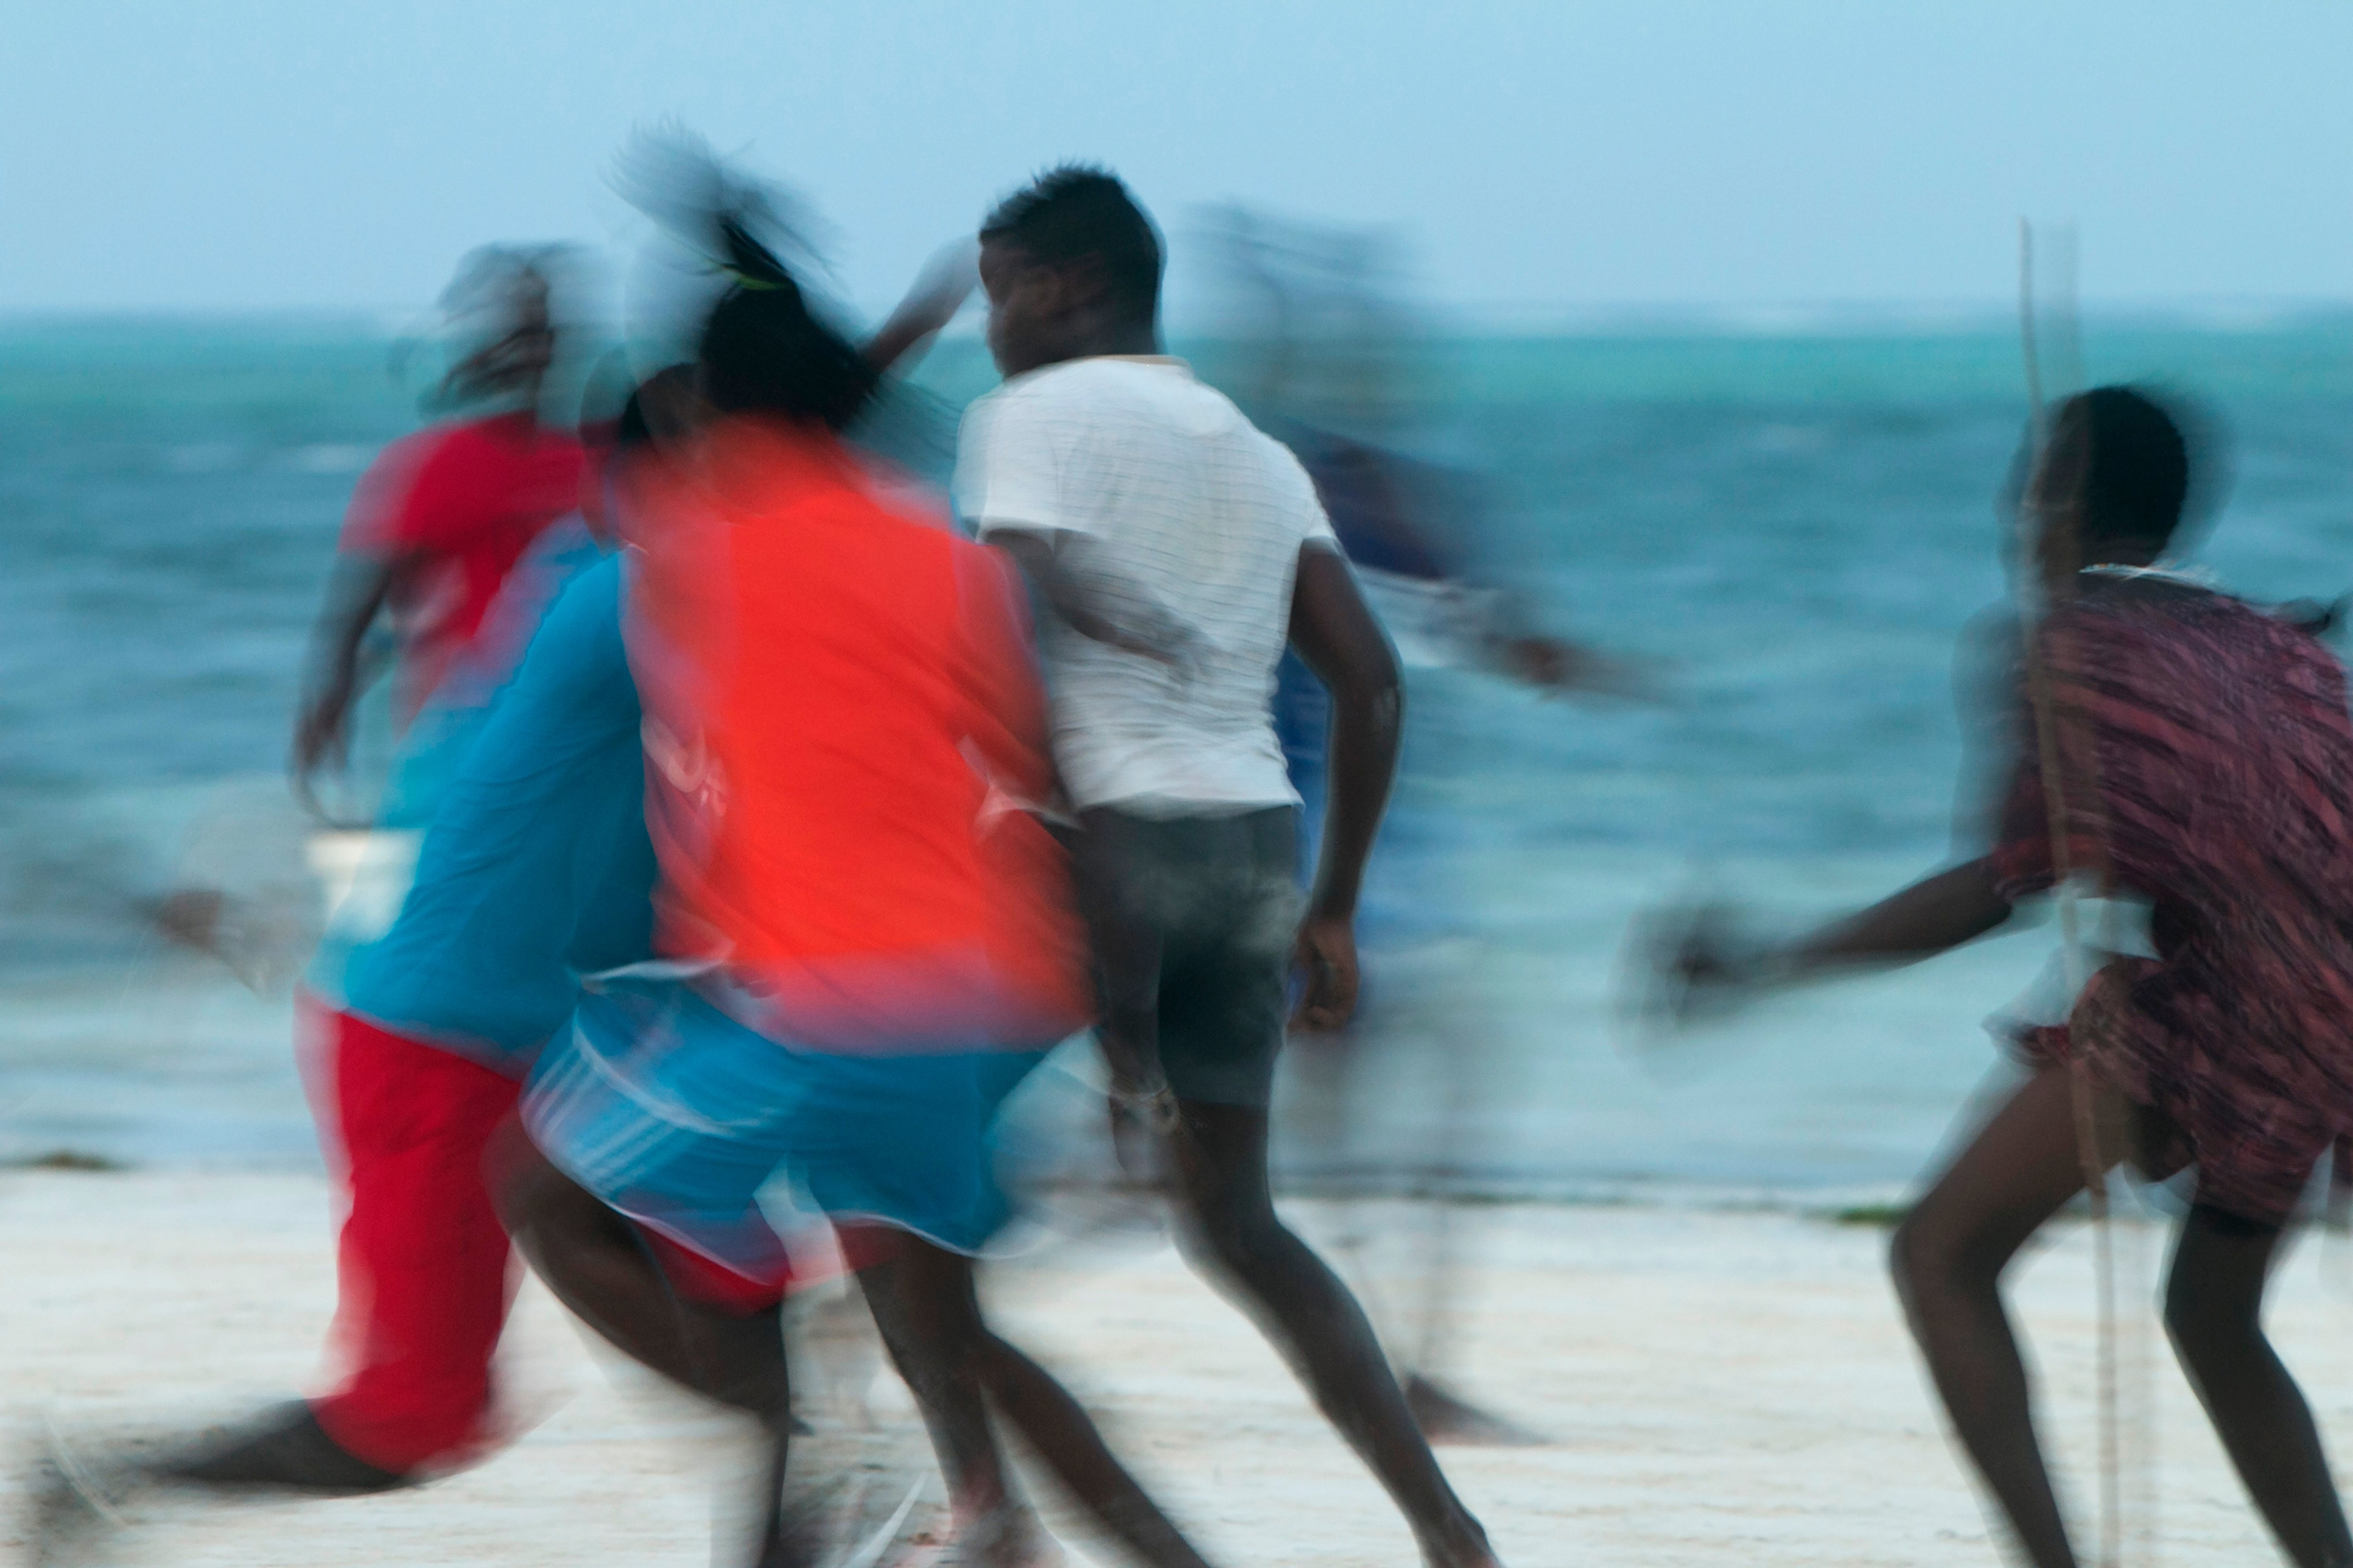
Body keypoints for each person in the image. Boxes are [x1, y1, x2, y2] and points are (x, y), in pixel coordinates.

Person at [493, 175, 1218, 1568]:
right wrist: (1134, 1038)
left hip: (814, 1009)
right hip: (987, 1000)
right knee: (947, 1328)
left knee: (536, 1178)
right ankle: (1082, 1540)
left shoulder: (694, 550)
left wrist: (741, 275)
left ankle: (789, 1454)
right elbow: (1063, 798)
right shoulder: (937, 558)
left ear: (710, 411)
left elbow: (674, 451)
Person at [1665, 387, 2353, 1568]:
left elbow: (1995, 886)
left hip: (2238, 1000)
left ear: (2059, 505)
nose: (2009, 507)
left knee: (1940, 1253)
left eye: (2031, 480)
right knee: (2210, 1313)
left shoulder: (2063, 645)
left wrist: (1772, 960)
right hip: (2337, 1007)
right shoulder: (2274, 639)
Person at [958, 165, 1499, 1568]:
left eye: (1000, 291)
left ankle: (995, 1509)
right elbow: (1372, 687)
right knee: (1243, 1227)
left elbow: (997, 625)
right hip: (1257, 850)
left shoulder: (1024, 419)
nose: (989, 323)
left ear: (1070, 287)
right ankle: (1447, 1528)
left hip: (1105, 854)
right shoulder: (1259, 450)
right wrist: (1335, 908)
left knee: (883, 1166)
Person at [290, 248, 589, 818]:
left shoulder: (585, 463)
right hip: (464, 738)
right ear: (492, 344)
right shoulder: (438, 468)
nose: (537, 348)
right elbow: (366, 606)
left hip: (566, 739)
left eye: (546, 331)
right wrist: (331, 700)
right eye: (522, 331)